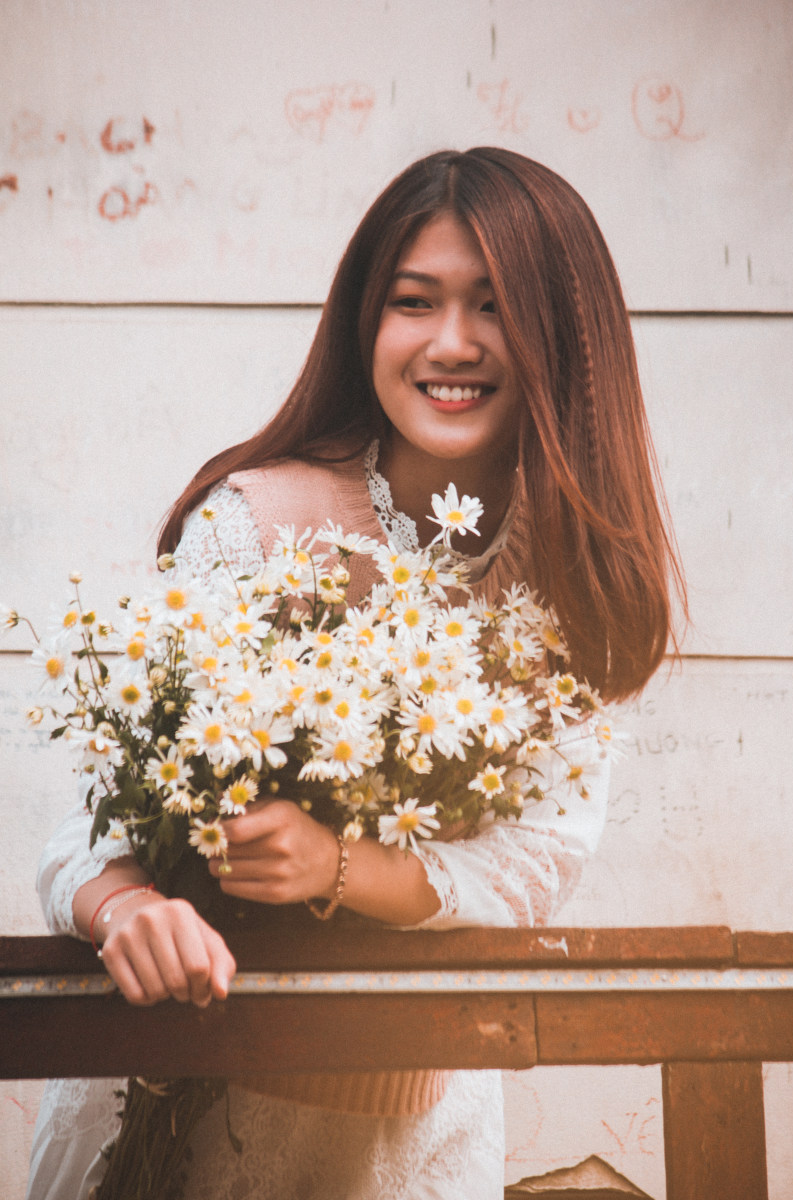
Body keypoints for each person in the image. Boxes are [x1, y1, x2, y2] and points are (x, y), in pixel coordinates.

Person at [26, 146, 684, 1199]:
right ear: (364, 325)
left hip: (400, 1134)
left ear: (564, 338)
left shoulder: (567, 583)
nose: (451, 344)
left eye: (496, 306)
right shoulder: (252, 528)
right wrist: (128, 911)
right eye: (412, 301)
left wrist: (334, 866)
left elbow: (530, 864)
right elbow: (90, 835)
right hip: (178, 1096)